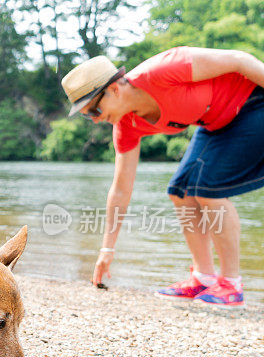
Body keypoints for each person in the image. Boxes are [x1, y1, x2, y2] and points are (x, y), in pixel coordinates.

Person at [60, 46, 264, 307]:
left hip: (253, 105)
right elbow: (121, 189)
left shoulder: (164, 69)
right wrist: (106, 250)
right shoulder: (126, 125)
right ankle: (204, 277)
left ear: (114, 89)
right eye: (89, 116)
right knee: (180, 191)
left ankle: (232, 284)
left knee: (207, 189)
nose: (95, 120)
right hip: (215, 123)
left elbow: (239, 59)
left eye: (94, 111)